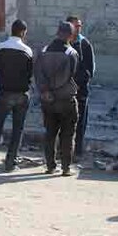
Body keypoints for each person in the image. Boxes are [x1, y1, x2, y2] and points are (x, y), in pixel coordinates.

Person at [0, 19, 34, 172]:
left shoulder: (0, 47)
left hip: (5, 92)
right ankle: (10, 161)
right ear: (23, 32)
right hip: (21, 94)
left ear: (11, 31)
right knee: (17, 128)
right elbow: (30, 74)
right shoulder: (27, 51)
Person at [35, 22, 80, 176]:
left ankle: (50, 166)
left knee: (50, 133)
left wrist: (46, 91)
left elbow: (38, 74)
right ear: (70, 35)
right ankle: (66, 167)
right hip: (65, 99)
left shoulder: (43, 51)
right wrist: (56, 89)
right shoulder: (71, 53)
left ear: (57, 32)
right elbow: (71, 76)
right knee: (67, 134)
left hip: (47, 100)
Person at [67, 15, 95, 160]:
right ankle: (63, 151)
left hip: (80, 91)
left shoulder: (85, 44)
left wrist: (78, 83)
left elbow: (90, 70)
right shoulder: (61, 44)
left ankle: (77, 151)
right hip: (63, 92)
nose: (78, 28)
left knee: (80, 121)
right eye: (75, 26)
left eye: (79, 26)